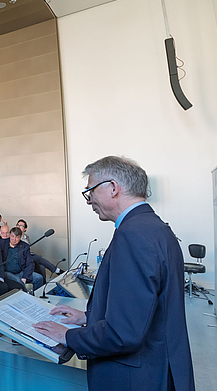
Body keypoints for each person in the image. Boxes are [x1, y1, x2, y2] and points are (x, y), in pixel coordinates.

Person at [33, 156, 195, 391]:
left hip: (136, 377)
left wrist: (68, 336)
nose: (89, 201)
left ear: (113, 188)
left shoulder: (133, 235)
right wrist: (88, 316)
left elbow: (123, 333)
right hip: (158, 368)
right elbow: (148, 306)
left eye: (90, 191)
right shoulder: (154, 228)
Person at [0, 227, 43, 291]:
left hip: (20, 272)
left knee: (39, 278)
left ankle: (36, 297)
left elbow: (30, 263)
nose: (14, 239)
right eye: (12, 236)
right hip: (7, 272)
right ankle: (26, 297)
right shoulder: (2, 244)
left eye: (17, 237)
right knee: (18, 282)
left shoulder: (25, 246)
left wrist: (25, 276)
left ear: (20, 237)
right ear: (9, 235)